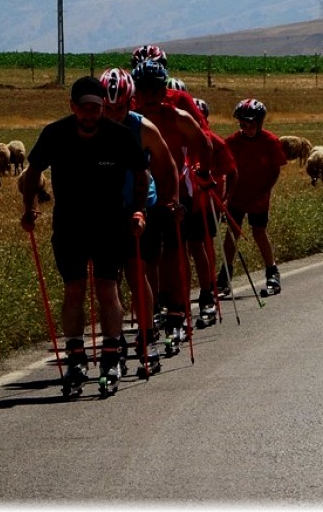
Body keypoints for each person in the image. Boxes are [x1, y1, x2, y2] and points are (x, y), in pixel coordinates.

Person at [21, 76, 150, 394]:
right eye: (84, 109)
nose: (90, 115)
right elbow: (33, 170)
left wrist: (139, 210)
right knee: (74, 289)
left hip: (110, 224)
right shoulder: (55, 134)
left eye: (95, 108)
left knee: (107, 289)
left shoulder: (119, 137)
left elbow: (140, 173)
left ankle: (109, 357)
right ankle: (75, 356)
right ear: (72, 107)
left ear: (103, 107)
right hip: (69, 225)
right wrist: (30, 207)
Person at [99, 67, 181, 372]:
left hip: (139, 209)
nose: (115, 114)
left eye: (120, 107)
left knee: (137, 273)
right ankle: (116, 338)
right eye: (109, 108)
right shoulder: (94, 127)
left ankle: (148, 337)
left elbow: (168, 164)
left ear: (130, 102)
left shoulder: (142, 127)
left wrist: (171, 199)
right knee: (109, 279)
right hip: (106, 211)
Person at [130, 59, 212, 349]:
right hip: (142, 197)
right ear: (136, 92)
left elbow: (204, 144)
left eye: (156, 89)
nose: (150, 95)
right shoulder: (131, 120)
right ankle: (151, 317)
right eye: (144, 90)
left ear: (164, 90)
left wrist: (200, 170)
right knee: (146, 261)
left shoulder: (178, 117)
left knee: (174, 257)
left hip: (174, 194)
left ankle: (178, 316)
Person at [219, 98, 288, 297]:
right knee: (232, 233)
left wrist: (265, 191)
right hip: (237, 196)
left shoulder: (270, 141)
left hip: (258, 196)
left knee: (259, 232)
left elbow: (275, 170)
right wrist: (226, 197)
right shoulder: (232, 142)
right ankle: (224, 277)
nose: (247, 129)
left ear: (260, 123)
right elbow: (226, 169)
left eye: (251, 125)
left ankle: (272, 272)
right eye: (243, 125)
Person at [182, 97, 238, 321]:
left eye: (200, 118)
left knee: (201, 247)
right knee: (178, 252)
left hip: (207, 202)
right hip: (182, 200)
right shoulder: (175, 138)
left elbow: (232, 171)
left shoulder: (213, 141)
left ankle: (208, 291)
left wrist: (225, 199)